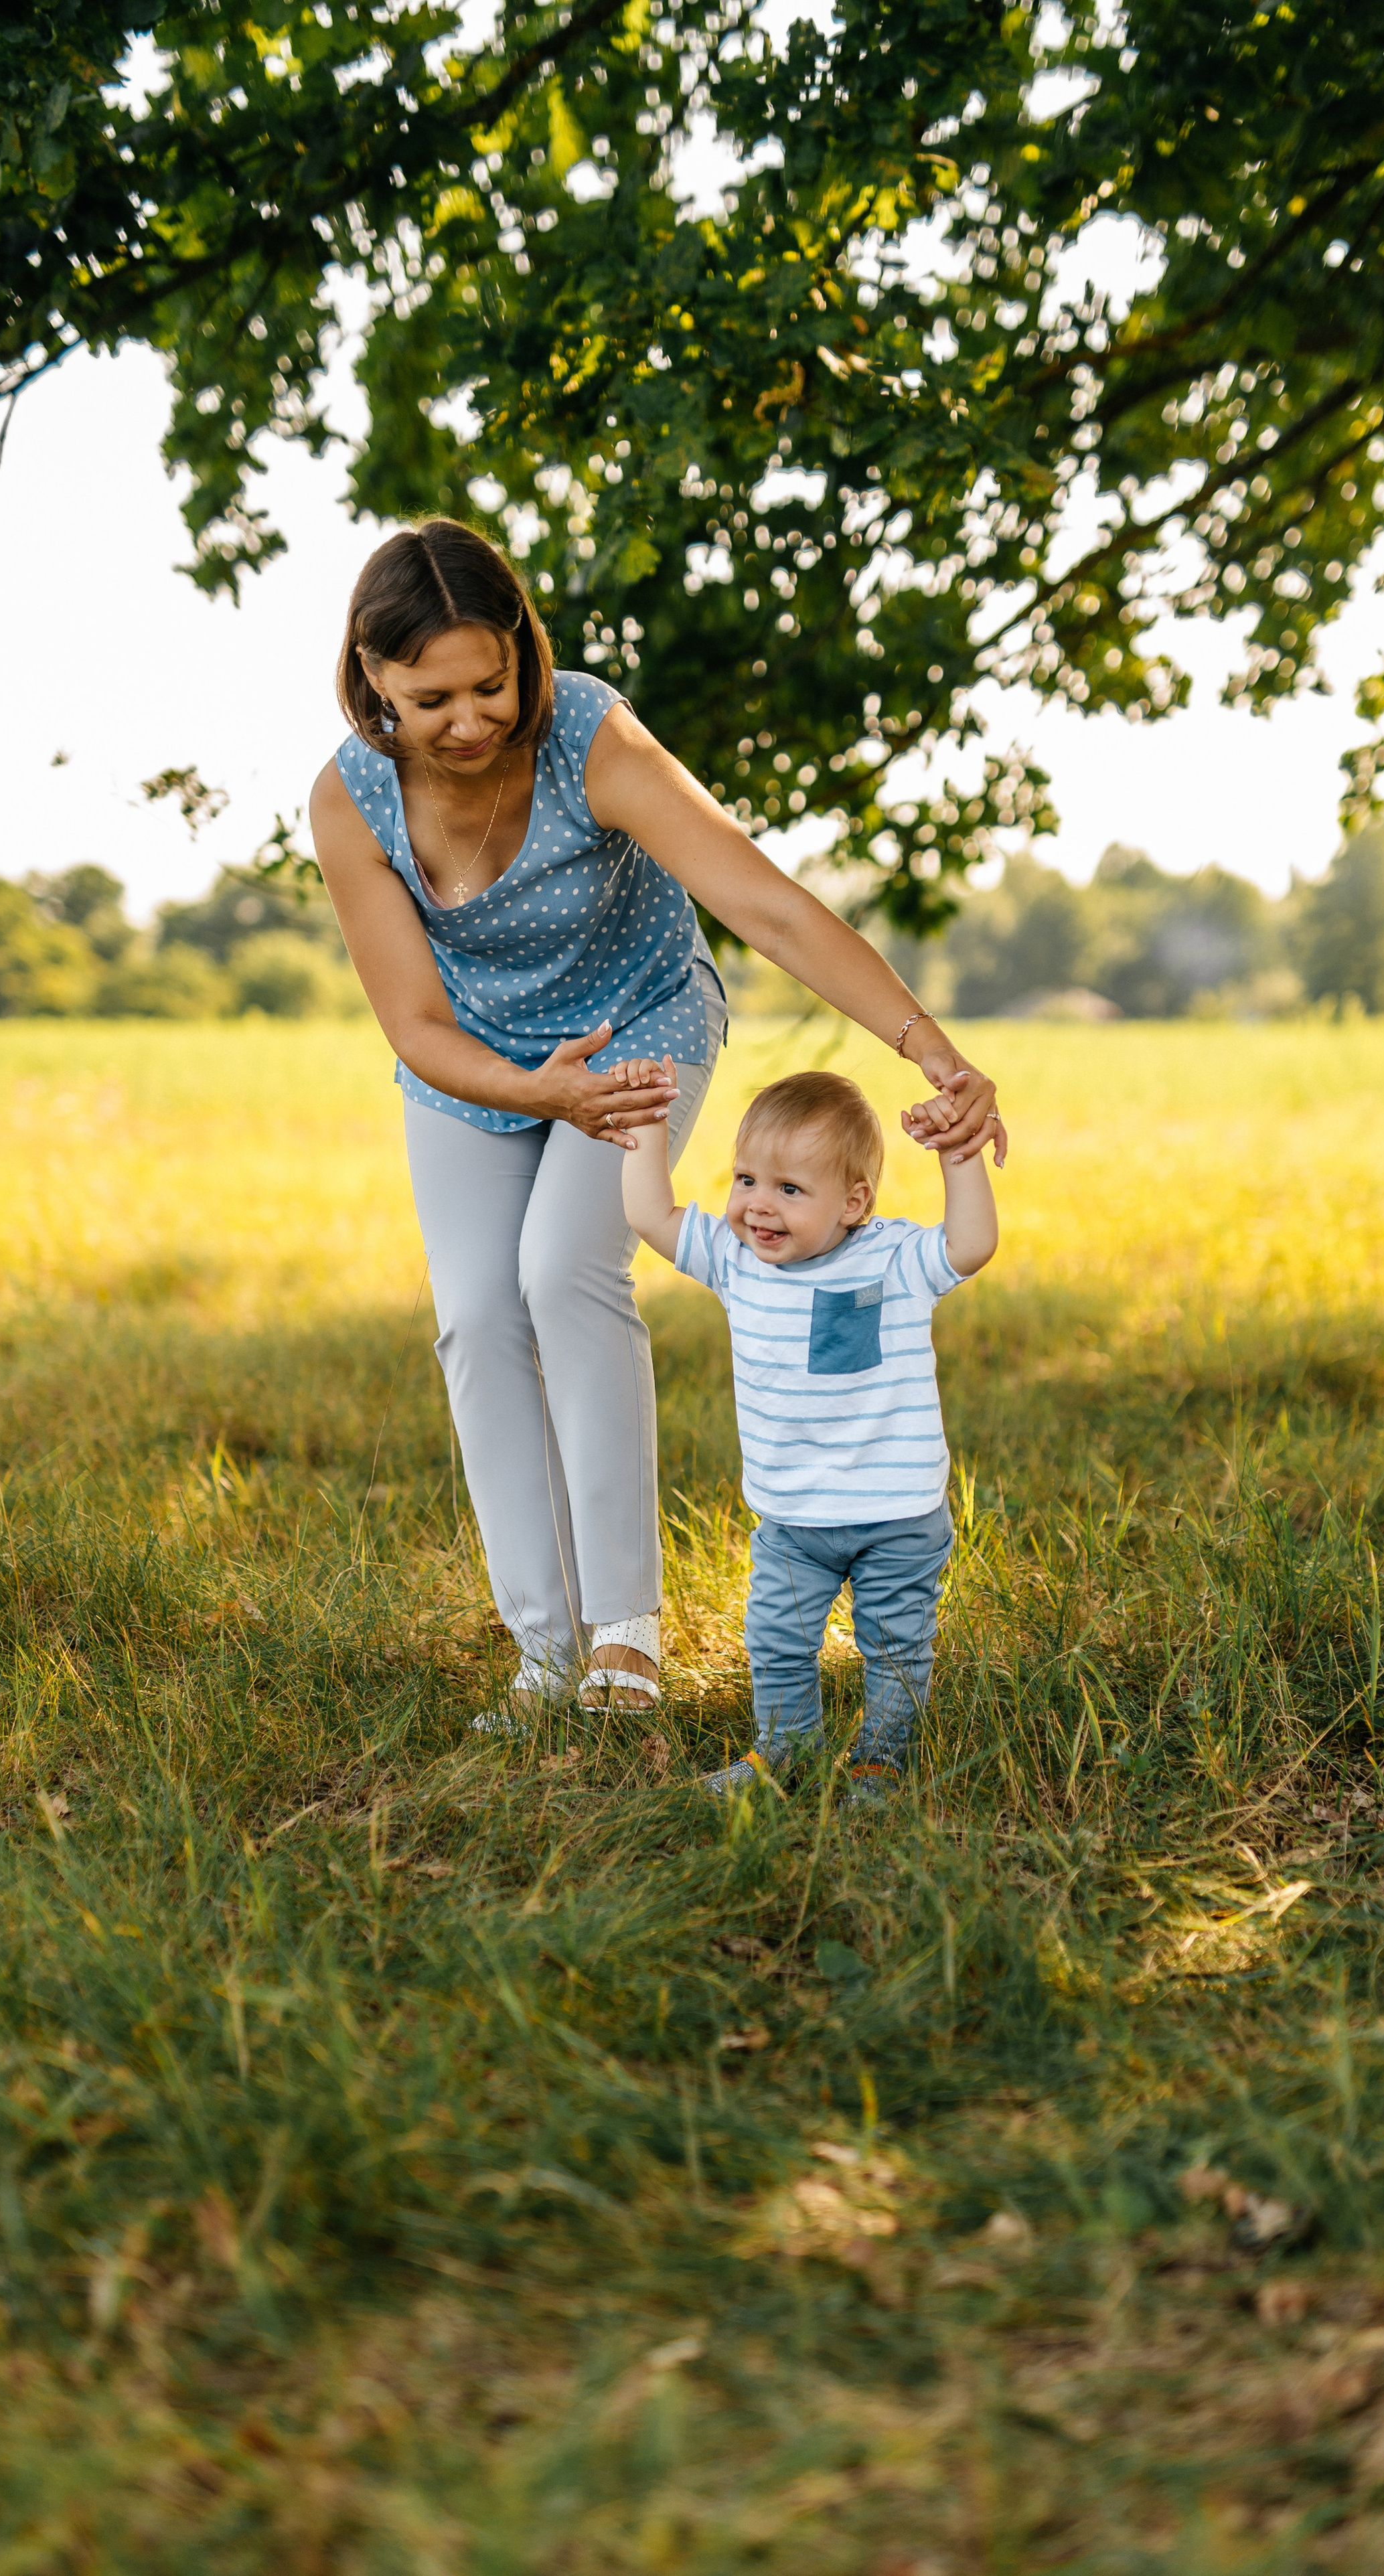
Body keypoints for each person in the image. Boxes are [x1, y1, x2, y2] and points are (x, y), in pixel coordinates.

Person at [309, 517, 1005, 1718]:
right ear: (375, 675)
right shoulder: (349, 797)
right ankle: (542, 1648)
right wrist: (535, 1088)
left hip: (638, 1025)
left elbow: (766, 904)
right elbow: (415, 1024)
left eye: (492, 683)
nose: (470, 720)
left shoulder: (589, 734)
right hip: (471, 1063)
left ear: (524, 656)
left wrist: (927, 1044)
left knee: (564, 1268)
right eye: (432, 698)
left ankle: (624, 1637)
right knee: (477, 1317)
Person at [620, 1065, 999, 1797]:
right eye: (746, 1179)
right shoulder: (737, 1262)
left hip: (897, 1513)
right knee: (777, 1642)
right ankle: (784, 1753)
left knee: (894, 1647)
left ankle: (880, 1761)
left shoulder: (892, 1258)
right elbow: (650, 1213)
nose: (759, 1206)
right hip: (792, 1518)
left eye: (790, 1189)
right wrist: (643, 1124)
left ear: (854, 1201)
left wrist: (959, 1154)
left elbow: (972, 1243)